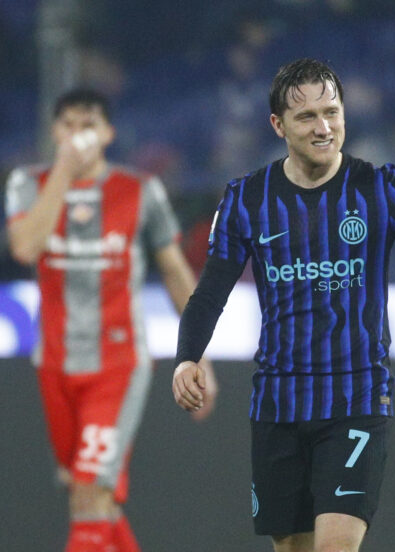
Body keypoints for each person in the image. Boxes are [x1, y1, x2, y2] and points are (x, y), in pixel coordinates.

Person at [171, 57, 395, 552]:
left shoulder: (379, 189)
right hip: (278, 403)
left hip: (356, 400)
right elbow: (211, 290)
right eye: (307, 117)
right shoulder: (245, 200)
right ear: (278, 125)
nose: (324, 127)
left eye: (333, 112)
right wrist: (187, 357)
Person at [5, 88, 217, 552]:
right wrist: (63, 171)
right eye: (68, 125)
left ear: (108, 133)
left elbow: (176, 272)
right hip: (56, 364)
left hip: (118, 366)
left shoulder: (139, 192)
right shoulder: (26, 183)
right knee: (89, 499)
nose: (78, 136)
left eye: (88, 125)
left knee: (90, 489)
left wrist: (198, 356)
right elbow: (25, 246)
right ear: (54, 131)